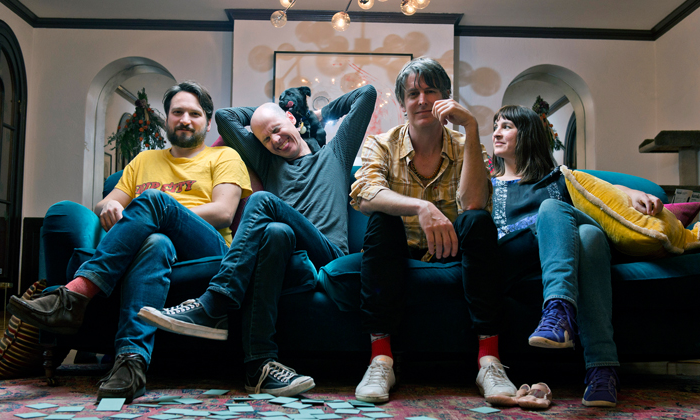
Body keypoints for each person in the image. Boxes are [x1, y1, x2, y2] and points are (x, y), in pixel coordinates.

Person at [7, 81, 252, 403]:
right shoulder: (144, 160)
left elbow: (223, 212)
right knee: (156, 242)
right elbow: (106, 204)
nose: (185, 119)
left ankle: (75, 295)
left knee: (154, 201)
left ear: (208, 123)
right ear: (167, 118)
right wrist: (109, 206)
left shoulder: (224, 156)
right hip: (149, 248)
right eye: (177, 112)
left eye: (194, 114)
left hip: (206, 251)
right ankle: (131, 364)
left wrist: (162, 211)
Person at [138, 84, 377, 397]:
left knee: (262, 200)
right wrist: (267, 118)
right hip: (288, 258)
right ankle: (259, 367)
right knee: (276, 232)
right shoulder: (269, 162)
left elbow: (367, 94)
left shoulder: (337, 153)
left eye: (277, 129)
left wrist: (312, 113)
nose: (275, 140)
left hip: (326, 255)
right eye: (266, 139)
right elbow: (225, 118)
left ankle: (214, 303)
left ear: (292, 120)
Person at [348, 57, 515, 404]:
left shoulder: (466, 145)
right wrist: (421, 207)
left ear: (446, 98)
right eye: (413, 94)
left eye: (431, 91)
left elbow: (474, 203)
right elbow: (364, 194)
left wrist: (471, 128)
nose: (422, 100)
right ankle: (381, 360)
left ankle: (489, 362)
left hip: (453, 248)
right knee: (380, 219)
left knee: (477, 221)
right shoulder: (381, 143)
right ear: (402, 104)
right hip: (399, 250)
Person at [490, 104, 663, 407]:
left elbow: (602, 190)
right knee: (569, 221)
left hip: (567, 253)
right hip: (517, 254)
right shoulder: (488, 184)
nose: (496, 133)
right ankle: (598, 362)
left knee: (588, 233)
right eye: (495, 126)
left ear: (527, 133)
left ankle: (586, 352)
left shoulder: (559, 177)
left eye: (506, 126)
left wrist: (634, 194)